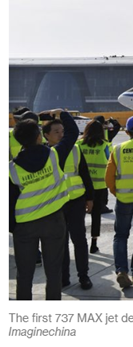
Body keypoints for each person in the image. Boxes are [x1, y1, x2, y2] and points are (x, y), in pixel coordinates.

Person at [9, 109, 74, 300]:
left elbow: (9, 203)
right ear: (39, 136)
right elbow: (72, 133)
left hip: (25, 226)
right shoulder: (54, 156)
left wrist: (14, 228)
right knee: (53, 273)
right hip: (54, 221)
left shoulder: (11, 169)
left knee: (24, 275)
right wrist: (61, 114)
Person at [43, 119, 94, 290]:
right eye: (56, 132)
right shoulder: (45, 153)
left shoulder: (75, 149)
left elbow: (84, 173)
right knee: (60, 242)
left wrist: (90, 197)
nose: (61, 134)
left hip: (76, 201)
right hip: (56, 204)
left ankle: (84, 276)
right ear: (46, 135)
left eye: (62, 131)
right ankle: (64, 277)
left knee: (79, 240)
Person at [105, 116, 133, 289]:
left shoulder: (118, 149)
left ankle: (122, 270)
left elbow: (109, 177)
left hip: (123, 199)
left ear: (127, 132)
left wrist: (117, 192)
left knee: (121, 236)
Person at [77, 120, 112, 254]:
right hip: (99, 185)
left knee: (79, 215)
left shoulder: (78, 145)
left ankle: (81, 241)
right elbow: (109, 162)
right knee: (96, 214)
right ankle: (94, 243)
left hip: (81, 185)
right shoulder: (105, 145)